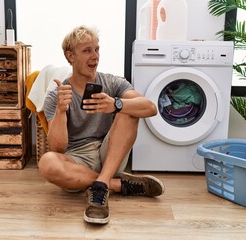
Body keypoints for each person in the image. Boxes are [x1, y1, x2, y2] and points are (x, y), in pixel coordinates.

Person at [38, 25, 165, 225]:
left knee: (128, 111)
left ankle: (100, 185)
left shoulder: (113, 82)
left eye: (97, 49)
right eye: (87, 51)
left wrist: (115, 104)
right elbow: (57, 148)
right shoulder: (56, 95)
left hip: (110, 154)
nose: (95, 56)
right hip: (78, 163)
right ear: (70, 56)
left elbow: (149, 107)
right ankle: (113, 184)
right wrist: (62, 110)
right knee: (47, 162)